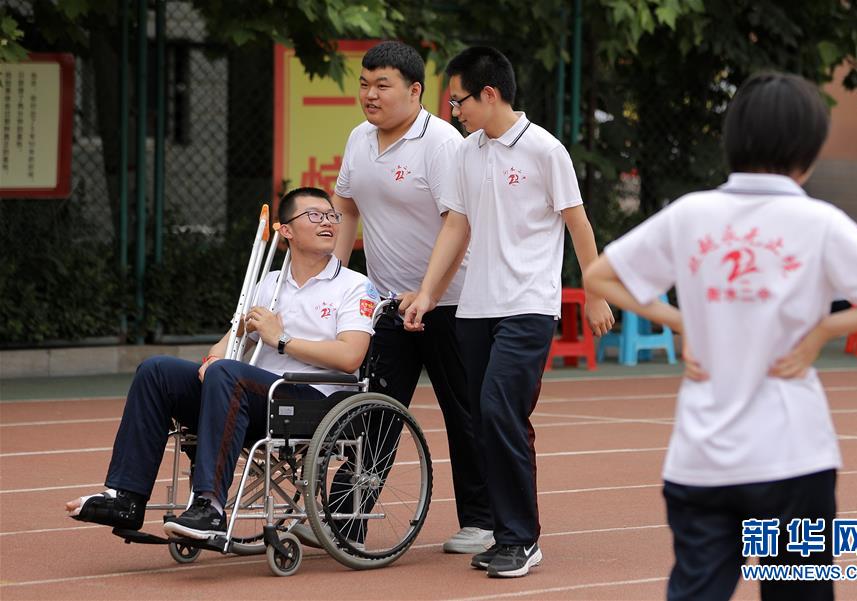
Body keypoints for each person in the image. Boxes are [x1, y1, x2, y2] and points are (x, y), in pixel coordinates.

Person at [584, 72, 857, 601]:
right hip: (793, 456)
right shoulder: (819, 222)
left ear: (733, 139)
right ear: (810, 150)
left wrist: (683, 321)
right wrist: (824, 329)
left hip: (702, 456)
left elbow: (599, 277)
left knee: (697, 592)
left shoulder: (692, 213)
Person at [402, 46, 615, 578]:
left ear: (490, 94)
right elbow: (456, 225)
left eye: (460, 101)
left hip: (527, 307)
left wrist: (595, 292)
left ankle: (522, 538)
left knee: (500, 411)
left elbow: (579, 225)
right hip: (475, 309)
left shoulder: (546, 150)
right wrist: (429, 292)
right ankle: (504, 534)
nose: (455, 111)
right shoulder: (466, 154)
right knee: (484, 421)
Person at [65, 187, 377, 540]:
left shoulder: (354, 286)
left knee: (229, 375)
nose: (328, 223)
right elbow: (234, 336)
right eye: (314, 216)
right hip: (254, 394)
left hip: (311, 401)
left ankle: (209, 506)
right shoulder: (269, 283)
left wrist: (282, 340)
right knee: (157, 371)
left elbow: (351, 355)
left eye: (331, 216)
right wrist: (214, 356)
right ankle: (126, 497)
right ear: (285, 230)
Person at [332, 40, 493, 554]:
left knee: (463, 411)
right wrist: (333, 277)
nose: (370, 95)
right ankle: (345, 517)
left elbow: (459, 225)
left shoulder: (442, 143)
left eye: (382, 85)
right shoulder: (359, 139)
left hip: (451, 303)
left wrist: (427, 292)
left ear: (415, 90)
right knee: (374, 409)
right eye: (364, 83)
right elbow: (346, 206)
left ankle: (483, 521)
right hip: (386, 304)